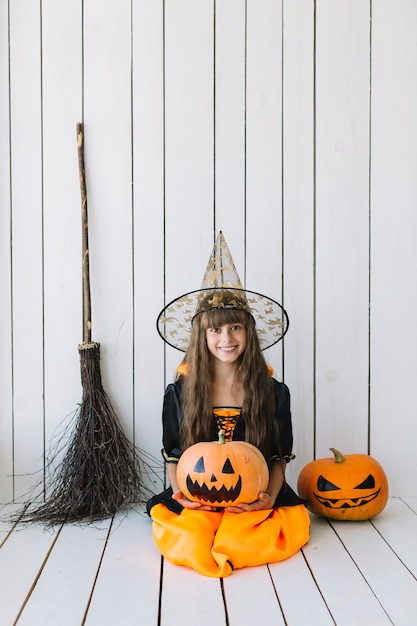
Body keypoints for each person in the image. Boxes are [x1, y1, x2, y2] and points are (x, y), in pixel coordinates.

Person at [147, 233, 310, 577]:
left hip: (256, 495)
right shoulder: (181, 392)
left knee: (250, 534)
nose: (226, 339)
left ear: (249, 332)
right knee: (190, 534)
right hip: (198, 495)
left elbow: (279, 457)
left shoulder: (273, 392)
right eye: (216, 331)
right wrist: (182, 495)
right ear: (202, 336)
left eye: (235, 327)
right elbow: (174, 456)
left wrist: (268, 497)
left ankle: (233, 546)